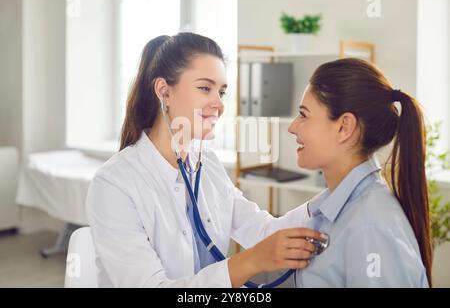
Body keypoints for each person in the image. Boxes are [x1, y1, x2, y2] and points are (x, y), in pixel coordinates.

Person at [86, 32, 325, 288]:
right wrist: (250, 262)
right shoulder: (114, 184)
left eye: (221, 92)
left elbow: (263, 230)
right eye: (204, 88)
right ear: (164, 92)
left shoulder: (207, 165)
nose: (219, 104)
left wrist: (330, 196)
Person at [288, 58, 432, 287]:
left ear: (344, 127)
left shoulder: (370, 225)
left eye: (304, 114)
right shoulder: (339, 207)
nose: (292, 126)